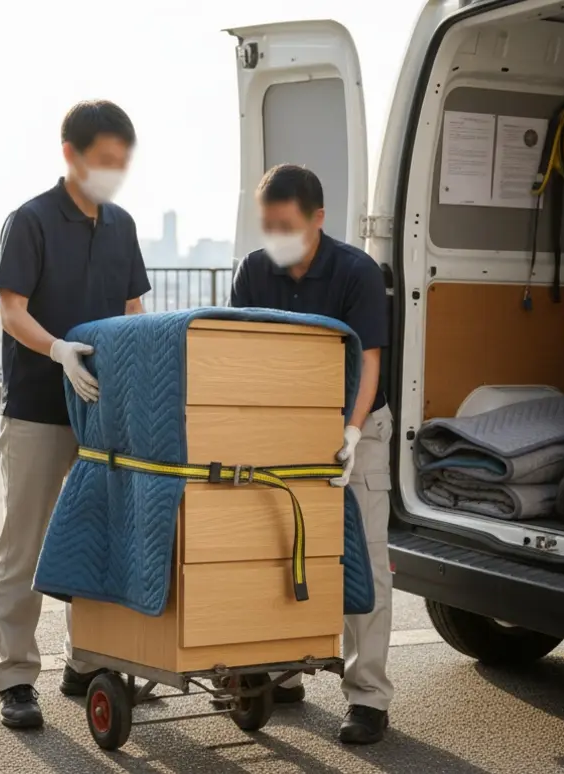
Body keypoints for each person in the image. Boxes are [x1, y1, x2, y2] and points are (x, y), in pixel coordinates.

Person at [0, 100, 150, 730]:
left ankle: (86, 662)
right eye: (104, 160)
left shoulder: (122, 225)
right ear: (70, 155)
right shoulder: (31, 220)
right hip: (37, 409)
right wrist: (57, 349)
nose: (114, 172)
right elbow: (12, 310)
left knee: (97, 539)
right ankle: (15, 678)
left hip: (101, 412)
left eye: (122, 162)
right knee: (26, 545)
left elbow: (134, 310)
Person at [228, 163, 393, 745]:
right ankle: (281, 671)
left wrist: (351, 434)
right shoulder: (253, 270)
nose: (275, 236)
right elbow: (239, 351)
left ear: (318, 218)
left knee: (362, 560)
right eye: (267, 225)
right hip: (283, 427)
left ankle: (367, 696)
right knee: (277, 550)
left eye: (286, 225)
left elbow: (368, 361)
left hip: (356, 424)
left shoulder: (357, 271)